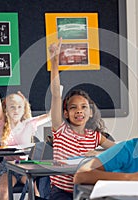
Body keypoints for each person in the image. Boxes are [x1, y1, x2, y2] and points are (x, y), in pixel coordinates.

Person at [48, 39, 116, 200]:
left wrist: (98, 153)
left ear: (91, 112)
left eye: (84, 107)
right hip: (62, 192)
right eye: (73, 107)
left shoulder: (94, 136)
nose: (79, 111)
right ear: (65, 114)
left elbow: (119, 150)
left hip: (87, 190)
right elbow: (56, 93)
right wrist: (54, 61)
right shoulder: (60, 130)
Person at [0, 62, 51, 200]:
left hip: (25, 166)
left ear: (24, 110)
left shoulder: (29, 123)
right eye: (12, 107)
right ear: (6, 110)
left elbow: (51, 115)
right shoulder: (2, 123)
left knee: (34, 192)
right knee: (4, 191)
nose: (15, 110)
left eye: (19, 107)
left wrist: (57, 92)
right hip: (8, 167)